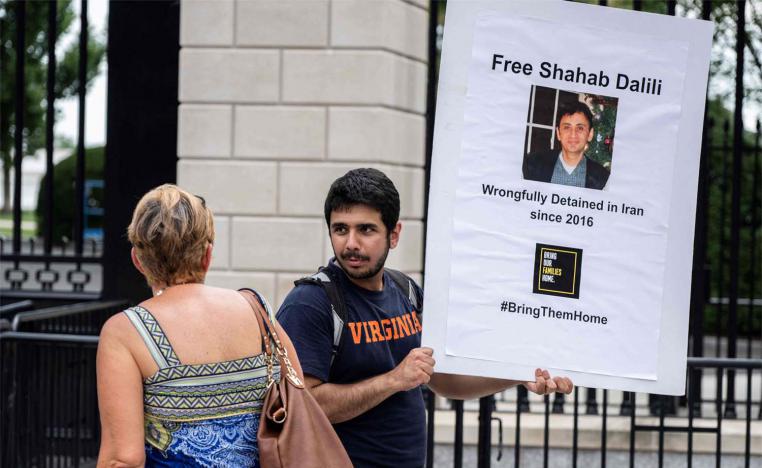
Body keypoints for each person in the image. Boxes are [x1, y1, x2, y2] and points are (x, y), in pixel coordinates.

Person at [277, 168, 573, 467]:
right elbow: (299, 405)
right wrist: (393, 380)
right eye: (341, 229)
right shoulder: (310, 303)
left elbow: (444, 380)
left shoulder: (404, 291)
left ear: (394, 234)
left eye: (365, 229)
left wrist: (517, 376)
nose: (351, 243)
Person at [96, 184, 303, 467]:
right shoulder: (257, 310)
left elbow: (123, 458)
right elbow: (299, 399)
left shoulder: (127, 331)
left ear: (138, 261)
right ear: (207, 256)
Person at [523, 101, 610, 190]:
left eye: (580, 128)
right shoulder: (532, 165)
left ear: (590, 134)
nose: (573, 134)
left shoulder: (603, 179)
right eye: (567, 127)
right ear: (558, 133)